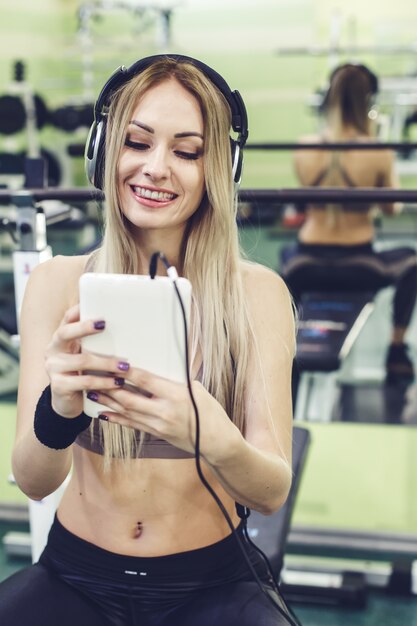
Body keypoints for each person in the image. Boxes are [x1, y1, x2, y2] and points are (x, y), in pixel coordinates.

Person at [0, 54, 298, 626]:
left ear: (220, 168)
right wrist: (59, 409)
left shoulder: (255, 294)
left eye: (186, 151)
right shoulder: (56, 282)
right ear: (104, 151)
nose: (156, 167)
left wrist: (211, 436)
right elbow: (37, 484)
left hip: (212, 581)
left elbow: (270, 491)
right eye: (137, 142)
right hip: (76, 573)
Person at [281, 62, 417, 386]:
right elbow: (392, 208)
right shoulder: (378, 150)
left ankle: (284, 348)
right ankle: (396, 348)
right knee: (412, 260)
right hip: (359, 264)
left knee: (284, 258)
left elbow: (304, 202)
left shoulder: (304, 146)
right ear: (368, 102)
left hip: (305, 263)